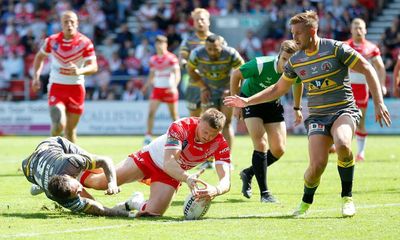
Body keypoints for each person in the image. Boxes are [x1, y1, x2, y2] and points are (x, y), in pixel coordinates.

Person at [224, 11, 391, 218]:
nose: (294, 38)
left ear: (312, 31)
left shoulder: (335, 48)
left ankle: (347, 197)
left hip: (343, 110)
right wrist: (247, 100)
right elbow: (277, 89)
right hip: (318, 116)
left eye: (297, 34)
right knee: (316, 167)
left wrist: (379, 102)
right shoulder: (296, 61)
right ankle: (305, 201)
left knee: (343, 144)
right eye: (292, 33)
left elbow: (367, 68)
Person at [81, 108, 231, 217]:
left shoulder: (220, 143)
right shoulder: (181, 126)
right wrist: (187, 178)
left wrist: (216, 190)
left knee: (153, 213)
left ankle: (134, 202)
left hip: (171, 174)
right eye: (205, 131)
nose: (207, 137)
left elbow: (226, 180)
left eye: (212, 134)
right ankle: (72, 171)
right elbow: (169, 162)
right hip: (149, 158)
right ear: (199, 121)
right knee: (100, 183)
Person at [230, 40, 303, 203]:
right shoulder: (261, 64)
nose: (286, 65)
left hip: (272, 105)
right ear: (279, 56)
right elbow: (236, 74)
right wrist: (237, 103)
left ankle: (248, 173)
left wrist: (297, 107)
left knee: (279, 149)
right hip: (250, 102)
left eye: (290, 61)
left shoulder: (295, 70)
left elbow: (298, 84)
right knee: (261, 144)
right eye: (284, 59)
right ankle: (265, 194)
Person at [21, 136, 131, 217]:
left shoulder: (71, 162)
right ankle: (42, 184)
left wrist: (112, 183)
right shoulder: (62, 199)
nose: (80, 189)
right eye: (77, 193)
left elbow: (105, 160)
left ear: (67, 176)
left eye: (77, 187)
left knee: (97, 169)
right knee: (92, 199)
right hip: (30, 168)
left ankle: (42, 184)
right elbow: (96, 208)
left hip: (52, 145)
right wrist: (127, 215)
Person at [32, 11, 98, 143]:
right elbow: (39, 57)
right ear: (61, 24)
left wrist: (80, 71)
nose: (69, 24)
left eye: (72, 21)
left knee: (70, 131)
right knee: (59, 125)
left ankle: (71, 161)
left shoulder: (85, 42)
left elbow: (94, 67)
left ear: (77, 23)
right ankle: (51, 151)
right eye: (66, 22)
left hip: (76, 89)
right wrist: (36, 76)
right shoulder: (52, 41)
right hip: (57, 87)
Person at [187, 34, 244, 154]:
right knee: (208, 125)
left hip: (226, 91)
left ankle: (227, 158)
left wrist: (231, 89)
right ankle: (208, 158)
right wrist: (203, 88)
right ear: (205, 47)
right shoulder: (196, 54)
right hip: (209, 90)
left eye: (216, 49)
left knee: (227, 123)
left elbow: (243, 71)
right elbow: (190, 70)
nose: (212, 52)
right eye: (209, 49)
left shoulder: (231, 54)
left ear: (222, 46)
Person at [345, 18, 387, 162]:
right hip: (345, 88)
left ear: (365, 30)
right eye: (355, 27)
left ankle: (360, 153)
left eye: (361, 28)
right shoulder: (344, 46)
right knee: (343, 119)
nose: (358, 30)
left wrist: (381, 85)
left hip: (362, 88)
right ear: (351, 30)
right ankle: (341, 146)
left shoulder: (371, 48)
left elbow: (380, 67)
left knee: (359, 121)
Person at [141, 35, 181, 145]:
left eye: (162, 43)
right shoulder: (153, 59)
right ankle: (148, 136)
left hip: (169, 90)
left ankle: (178, 136)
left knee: (174, 115)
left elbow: (177, 74)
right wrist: (145, 86)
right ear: (155, 45)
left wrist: (174, 86)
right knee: (151, 113)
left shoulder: (172, 58)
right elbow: (152, 75)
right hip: (157, 90)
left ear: (166, 44)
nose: (160, 46)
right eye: (158, 43)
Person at [179, 8, 214, 117]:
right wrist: (187, 65)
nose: (200, 22)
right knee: (194, 119)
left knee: (212, 120)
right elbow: (182, 59)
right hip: (194, 85)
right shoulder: (188, 41)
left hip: (213, 85)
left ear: (208, 21)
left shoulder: (218, 40)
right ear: (193, 23)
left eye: (202, 19)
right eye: (197, 20)